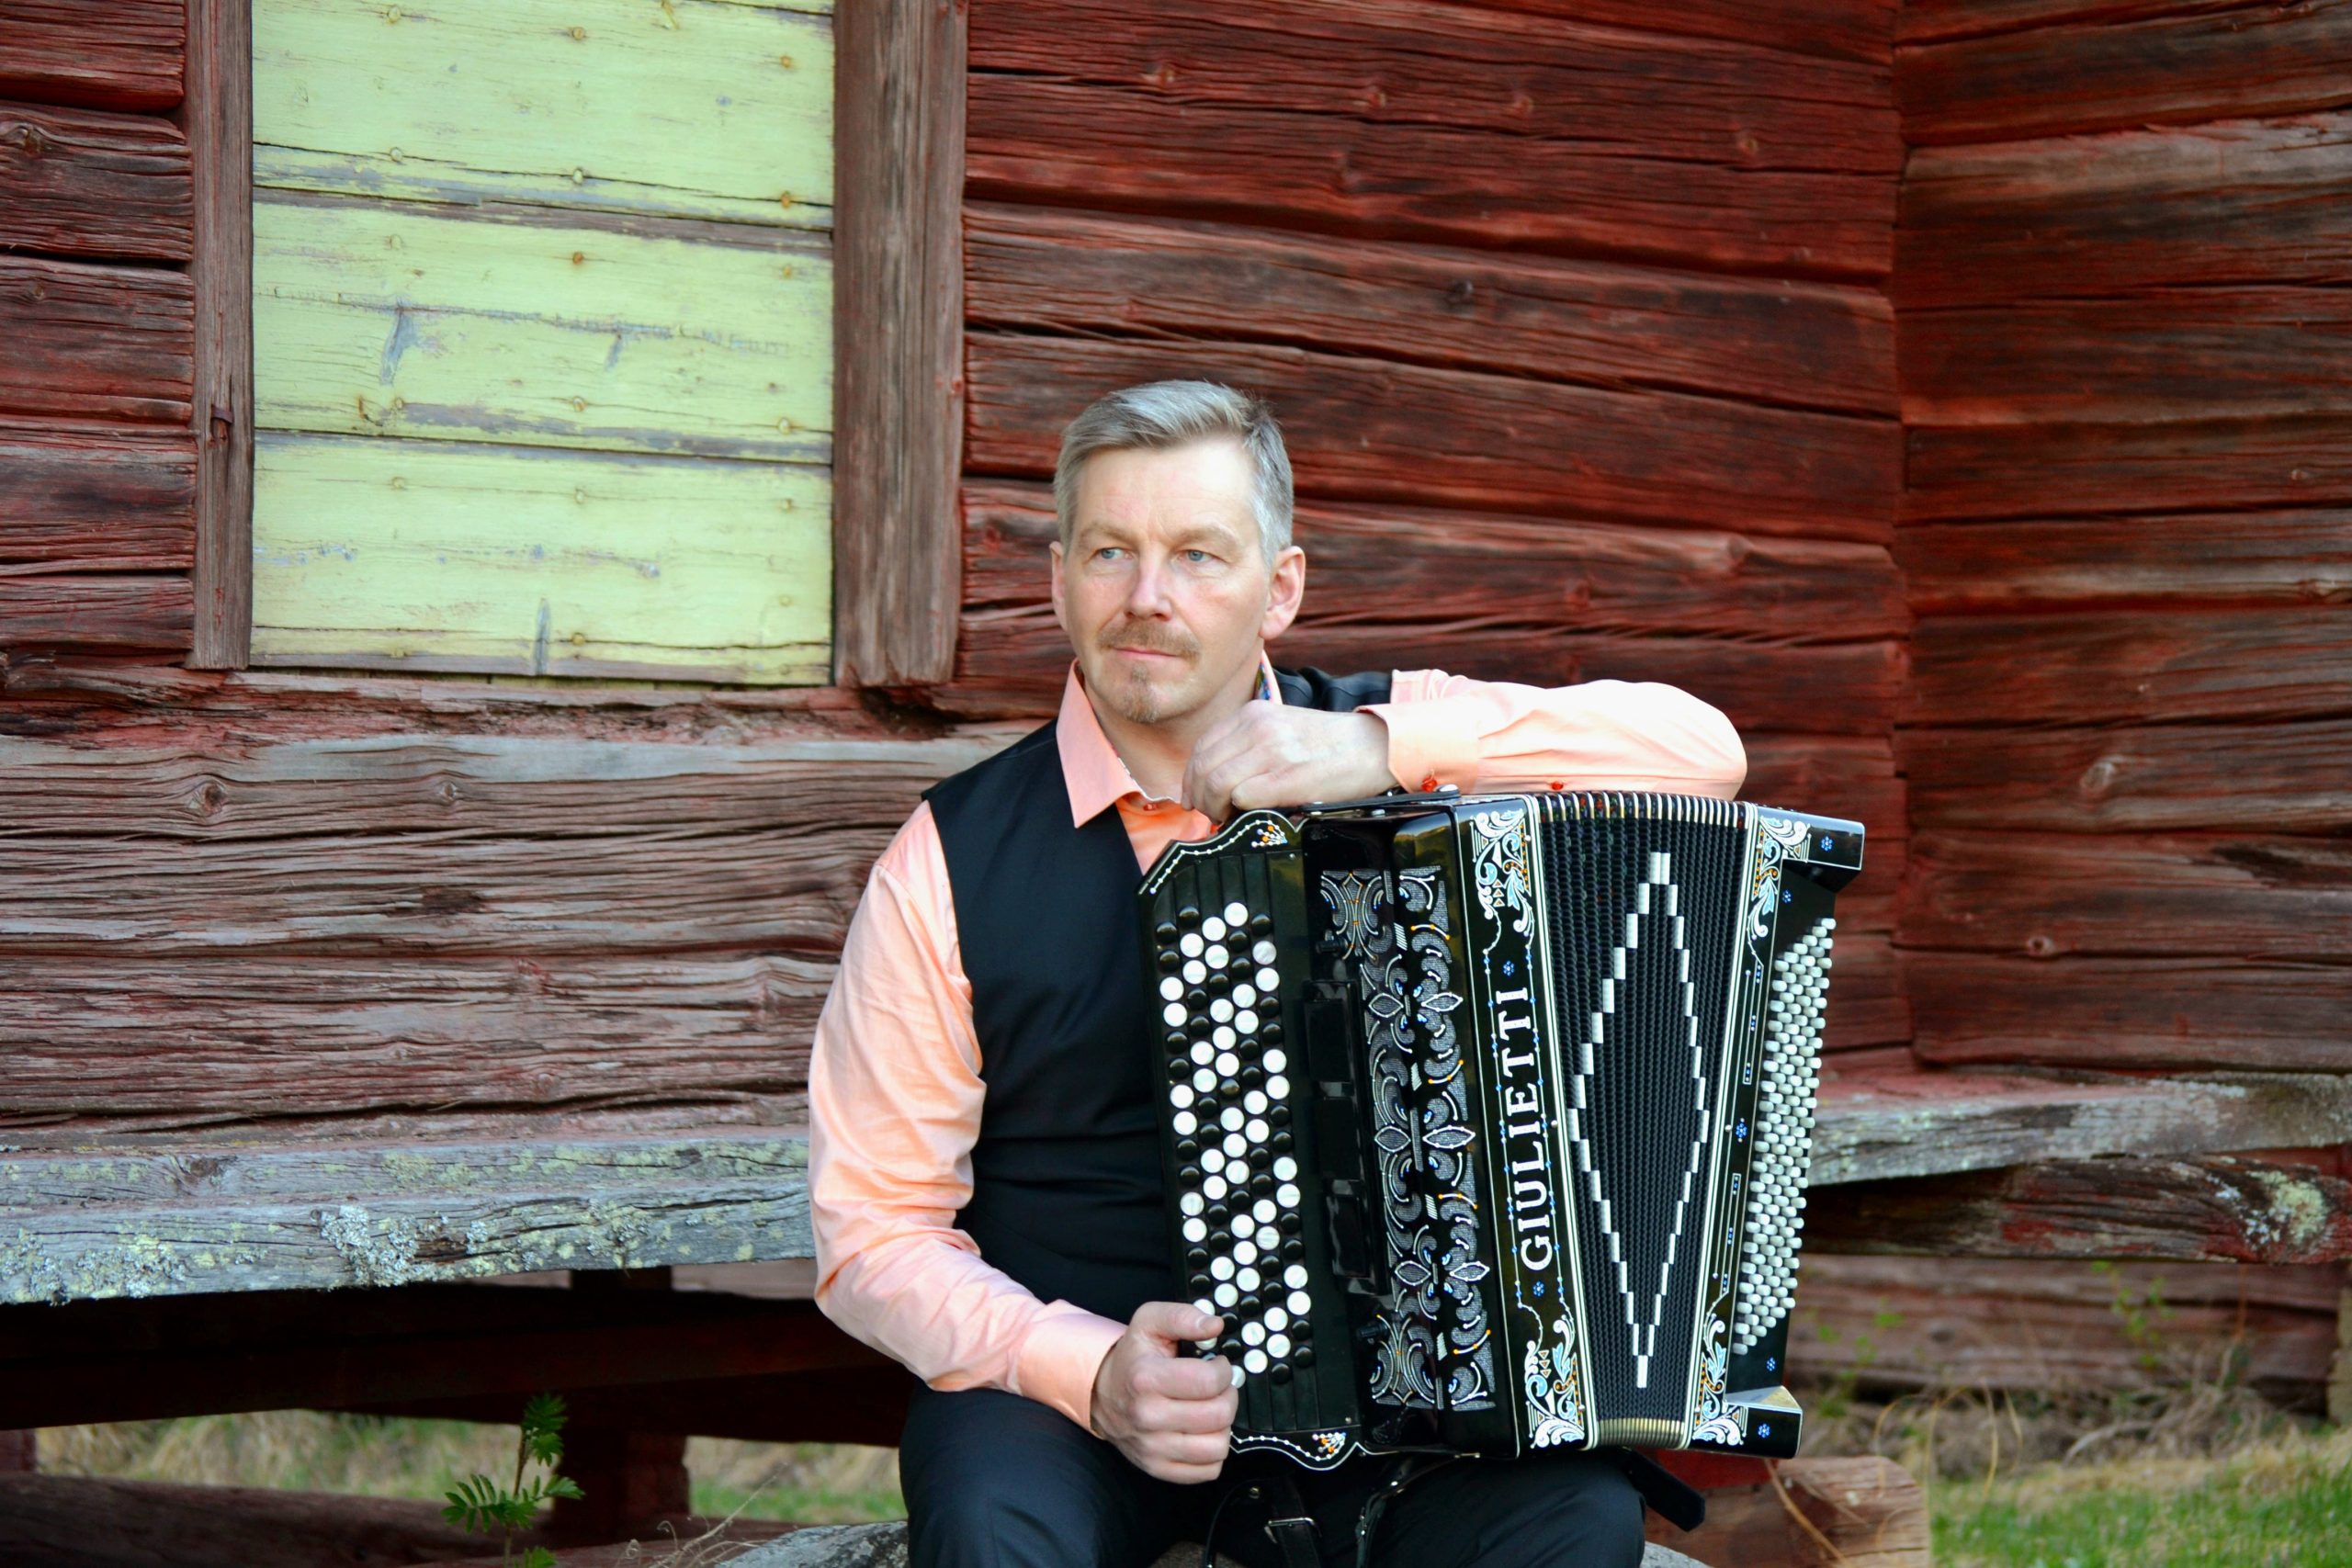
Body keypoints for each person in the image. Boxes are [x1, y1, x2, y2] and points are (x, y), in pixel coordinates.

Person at [808, 381, 1747, 1568]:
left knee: (1574, 1520)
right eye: (1109, 551)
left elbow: (1706, 754)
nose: (1147, 598)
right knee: (991, 1523)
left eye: (1199, 555)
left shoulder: (1394, 739)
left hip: (1411, 1419)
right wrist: (1085, 1370)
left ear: (1282, 588)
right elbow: (873, 1230)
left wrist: (1378, 745)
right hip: (1082, 1418)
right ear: (1058, 578)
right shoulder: (949, 859)